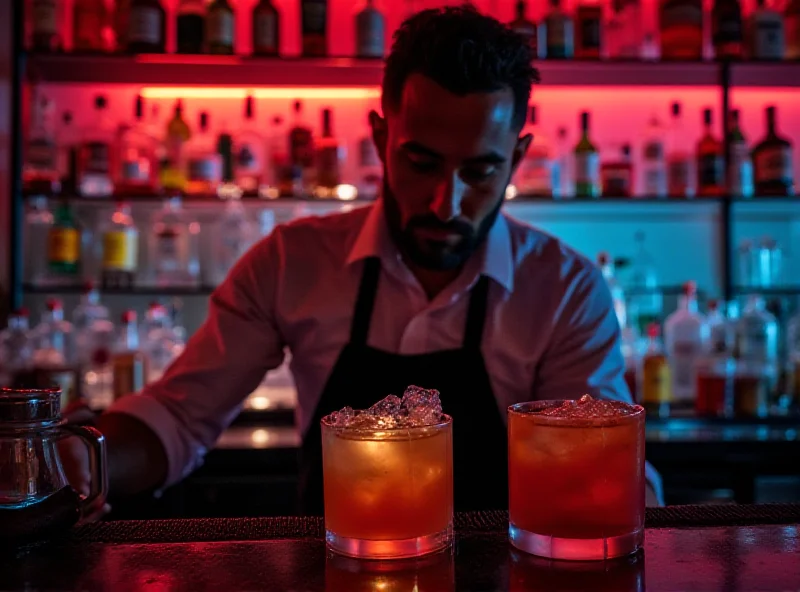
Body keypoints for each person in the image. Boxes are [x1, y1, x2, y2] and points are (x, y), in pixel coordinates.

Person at [65, 7, 662, 515]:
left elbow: (596, 459)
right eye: (421, 162)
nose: (444, 202)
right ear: (381, 141)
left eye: (480, 171)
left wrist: (628, 493)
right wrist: (78, 464)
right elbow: (176, 417)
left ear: (518, 157)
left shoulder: (563, 288)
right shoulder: (290, 262)